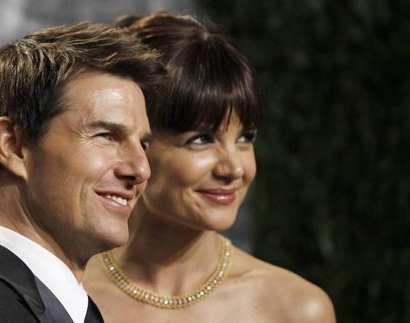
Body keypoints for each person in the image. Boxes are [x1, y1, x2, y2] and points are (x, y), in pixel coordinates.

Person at [83, 12, 336, 323]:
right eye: (201, 139)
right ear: (131, 143)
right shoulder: (62, 296)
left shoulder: (296, 309)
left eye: (245, 138)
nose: (234, 168)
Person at [0, 22, 164, 323]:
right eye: (106, 136)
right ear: (13, 146)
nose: (140, 168)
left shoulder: (64, 307)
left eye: (143, 144)